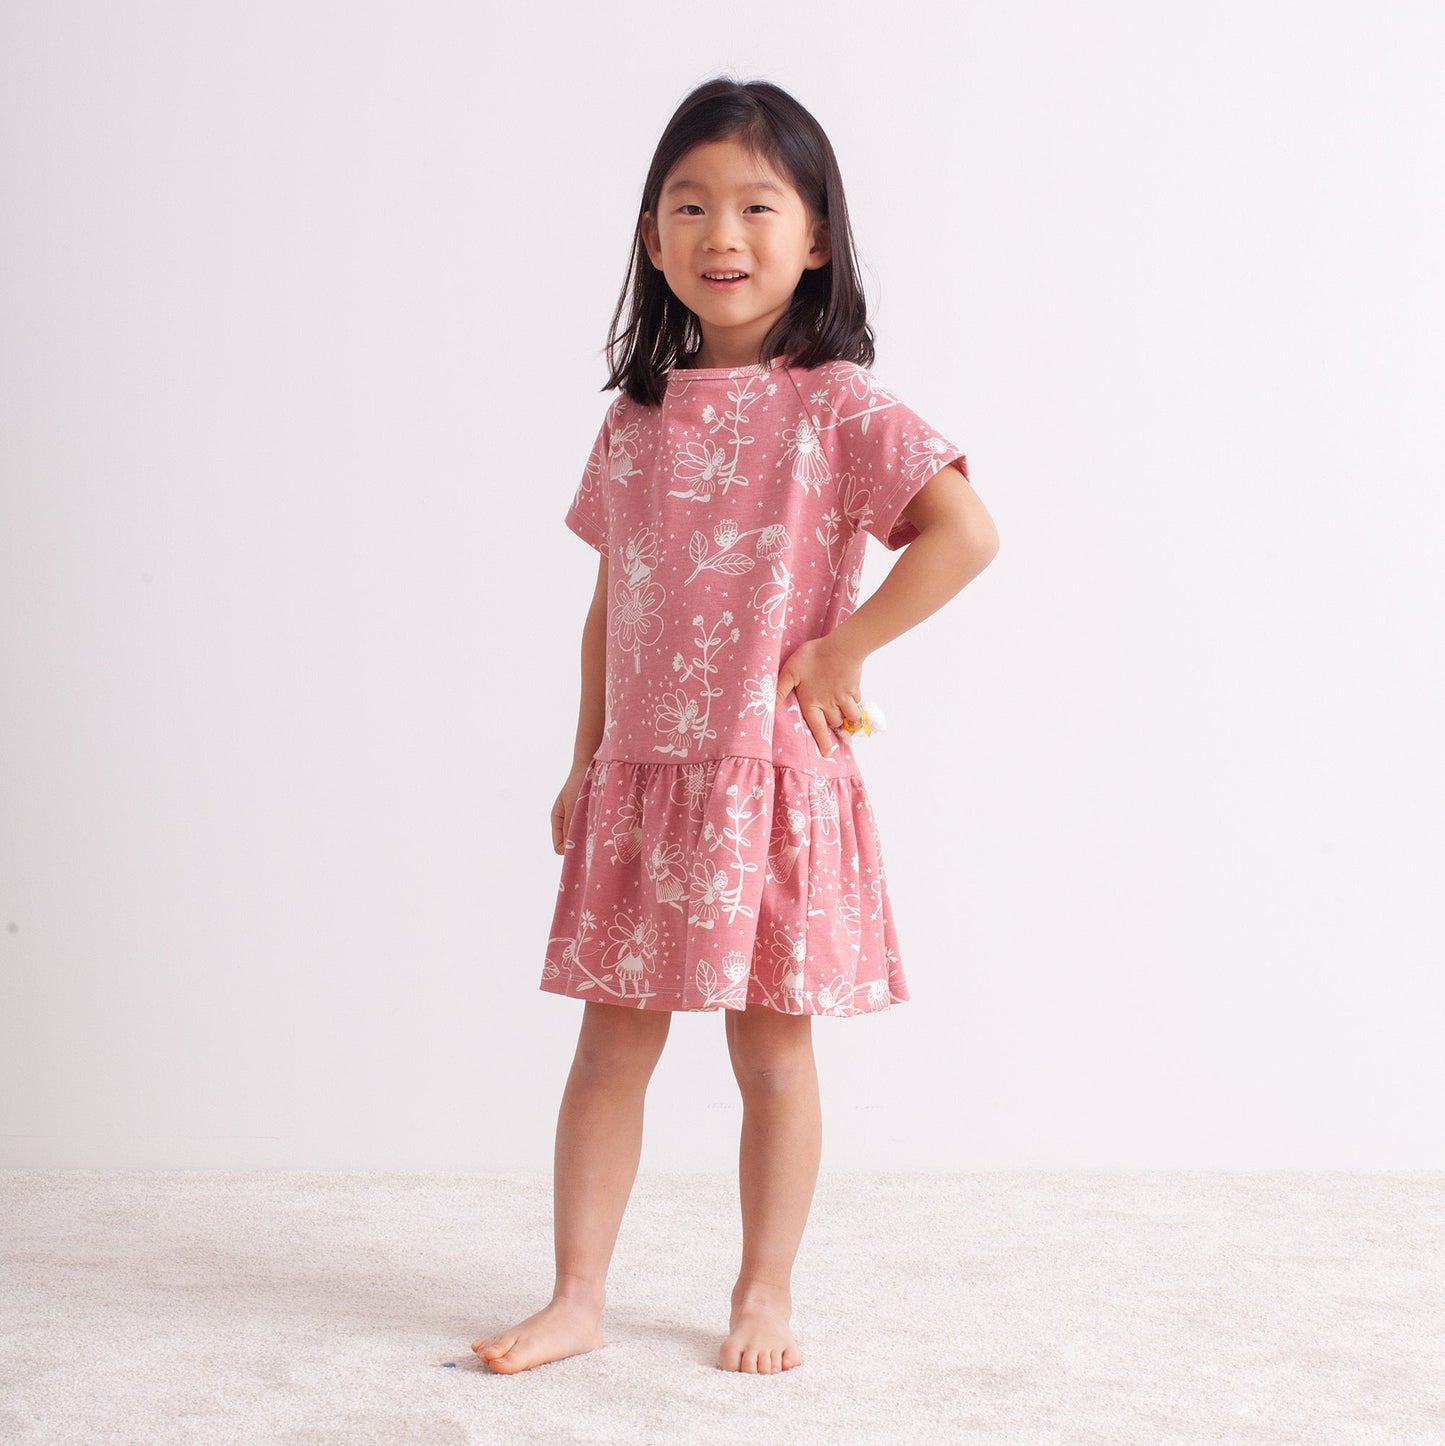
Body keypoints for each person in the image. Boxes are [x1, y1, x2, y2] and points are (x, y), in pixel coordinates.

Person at [472, 75, 999, 1377]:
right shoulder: (635, 419)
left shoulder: (834, 403)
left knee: (769, 1048)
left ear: (815, 236)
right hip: (644, 779)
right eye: (690, 204)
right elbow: (613, 602)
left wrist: (844, 646)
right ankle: (577, 1295)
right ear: (652, 238)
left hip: (765, 778)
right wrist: (587, 756)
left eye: (758, 206)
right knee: (611, 1044)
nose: (722, 233)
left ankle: (764, 1292)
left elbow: (965, 532)